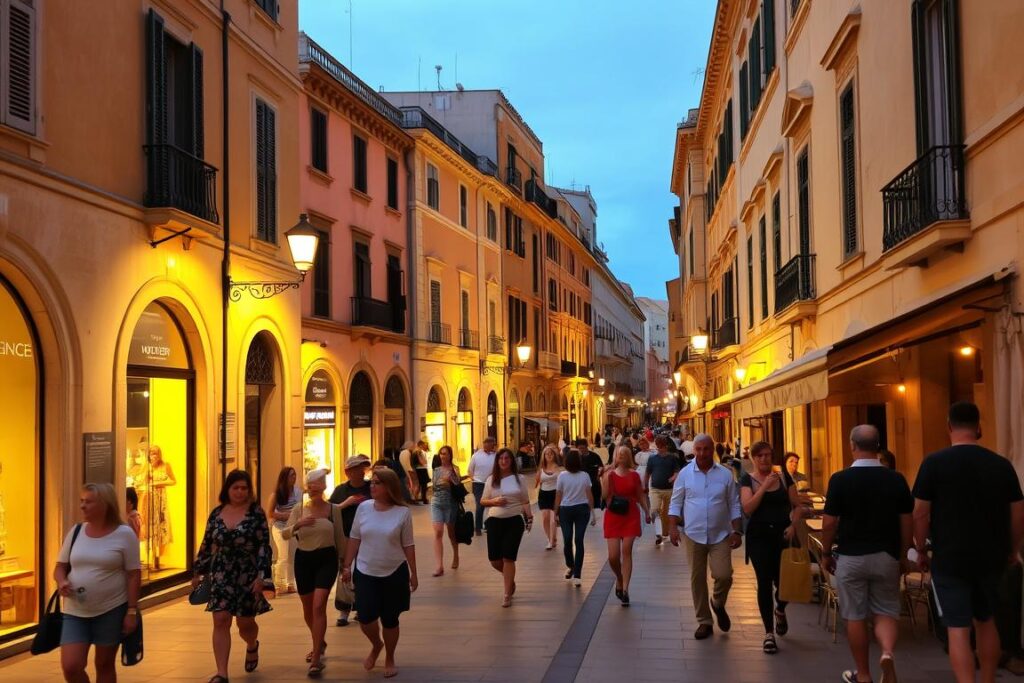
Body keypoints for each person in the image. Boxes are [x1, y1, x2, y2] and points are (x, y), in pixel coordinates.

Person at [912, 402, 1024, 683]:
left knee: (958, 628)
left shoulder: (934, 463)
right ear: (979, 427)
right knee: (986, 621)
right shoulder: (1001, 465)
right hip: (992, 556)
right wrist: (1013, 548)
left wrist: (921, 548)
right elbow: (1018, 512)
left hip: (950, 556)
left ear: (949, 426)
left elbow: (920, 512)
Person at [820, 425, 913, 683]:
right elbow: (907, 521)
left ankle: (863, 674)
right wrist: (904, 554)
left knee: (855, 616)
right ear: (878, 446)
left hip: (851, 557)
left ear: (852, 445)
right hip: (886, 556)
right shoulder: (896, 479)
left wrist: (826, 552)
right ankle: (887, 652)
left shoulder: (840, 479)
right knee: (885, 611)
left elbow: (829, 523)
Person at [55, 483, 141, 683]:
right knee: (71, 666)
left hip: (111, 609)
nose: (83, 506)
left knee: (104, 664)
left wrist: (131, 611)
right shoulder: (76, 531)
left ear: (105, 504)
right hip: (75, 610)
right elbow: (59, 567)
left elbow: (133, 575)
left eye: (89, 502)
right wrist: (61, 581)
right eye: (81, 501)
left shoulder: (124, 534)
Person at [193, 470, 273, 683]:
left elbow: (264, 546)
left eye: (244, 488)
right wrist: (198, 571)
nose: (239, 492)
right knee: (220, 619)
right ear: (227, 489)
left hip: (246, 573)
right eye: (235, 487)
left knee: (245, 624)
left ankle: (252, 644)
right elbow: (207, 543)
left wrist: (262, 577)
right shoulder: (217, 513)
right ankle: (222, 673)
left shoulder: (256, 513)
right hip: (221, 572)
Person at [341, 468, 417, 679]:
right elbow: (354, 538)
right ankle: (376, 644)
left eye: (377, 483)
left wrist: (414, 572)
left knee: (390, 619)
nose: (372, 486)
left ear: (389, 487)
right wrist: (347, 566)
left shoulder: (402, 512)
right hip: (365, 570)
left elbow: (408, 544)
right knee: (365, 617)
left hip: (394, 571)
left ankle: (389, 656)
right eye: (372, 482)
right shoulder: (364, 508)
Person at [668, 434, 743, 640]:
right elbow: (675, 502)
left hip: (720, 534)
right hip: (693, 534)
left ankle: (718, 603)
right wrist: (673, 528)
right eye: (698, 449)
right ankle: (704, 621)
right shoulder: (685, 474)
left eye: (706, 449)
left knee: (724, 575)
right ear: (694, 450)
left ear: (713, 450)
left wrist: (737, 530)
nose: (702, 453)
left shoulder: (726, 475)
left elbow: (734, 503)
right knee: (697, 578)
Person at [282, 467, 345, 677]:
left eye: (316, 487)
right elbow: (284, 534)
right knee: (308, 608)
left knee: (319, 606)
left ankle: (316, 657)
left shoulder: (333, 510)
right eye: (310, 487)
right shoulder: (299, 509)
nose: (312, 490)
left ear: (323, 488)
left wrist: (345, 566)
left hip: (326, 558)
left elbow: (340, 539)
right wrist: (297, 525)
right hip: (304, 559)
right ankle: (320, 641)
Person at [740, 442, 795, 654]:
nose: (765, 459)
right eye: (760, 456)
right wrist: (763, 486)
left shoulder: (784, 477)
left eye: (768, 455)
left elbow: (797, 506)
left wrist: (792, 524)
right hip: (759, 538)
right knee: (763, 581)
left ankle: (780, 609)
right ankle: (768, 633)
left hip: (782, 535)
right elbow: (747, 509)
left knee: (783, 584)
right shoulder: (747, 480)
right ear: (753, 458)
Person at [481, 448, 533, 607]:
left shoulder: (520, 479)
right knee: (495, 560)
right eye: (501, 458)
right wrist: (494, 501)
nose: (504, 461)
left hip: (514, 520)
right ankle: (509, 580)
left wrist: (529, 517)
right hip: (494, 520)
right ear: (497, 461)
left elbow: (525, 500)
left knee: (508, 557)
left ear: (511, 461)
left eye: (507, 458)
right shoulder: (491, 479)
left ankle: (506, 594)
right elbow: (483, 500)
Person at [603, 446, 651, 606]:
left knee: (626, 551)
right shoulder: (609, 475)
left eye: (625, 453)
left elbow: (640, 494)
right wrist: (603, 477)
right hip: (614, 515)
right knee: (613, 556)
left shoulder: (634, 475)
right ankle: (619, 577)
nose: (622, 455)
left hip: (630, 514)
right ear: (615, 457)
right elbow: (604, 496)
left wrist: (647, 511)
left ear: (629, 456)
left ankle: (625, 590)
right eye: (619, 454)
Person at [328, 456, 372, 626]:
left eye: (363, 468)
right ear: (348, 472)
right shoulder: (340, 491)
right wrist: (346, 503)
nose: (361, 472)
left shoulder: (371, 487)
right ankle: (344, 610)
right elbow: (329, 512)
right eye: (356, 469)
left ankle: (361, 607)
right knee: (345, 572)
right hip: (345, 537)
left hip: (367, 537)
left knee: (363, 572)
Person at [555, 450, 596, 587]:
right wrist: (556, 512)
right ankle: (571, 565)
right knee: (567, 540)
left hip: (581, 509)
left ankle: (577, 573)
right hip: (566, 509)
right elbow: (559, 495)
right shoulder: (562, 476)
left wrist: (592, 512)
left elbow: (589, 494)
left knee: (578, 539)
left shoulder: (584, 476)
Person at [265, 466, 301, 594]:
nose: (294, 478)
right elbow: (270, 513)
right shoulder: (276, 494)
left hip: (293, 528)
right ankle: (280, 583)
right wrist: (285, 515)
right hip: (280, 527)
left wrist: (293, 516)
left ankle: (291, 583)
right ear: (285, 478)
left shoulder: (298, 492)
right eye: (291, 475)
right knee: (284, 554)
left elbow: (299, 509)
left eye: (295, 475)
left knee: (292, 555)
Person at [430, 445, 462, 576]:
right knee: (438, 532)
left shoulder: (455, 469)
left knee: (451, 533)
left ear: (450, 455)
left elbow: (457, 483)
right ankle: (439, 566)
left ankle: (456, 554)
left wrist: (451, 479)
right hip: (437, 502)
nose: (443, 456)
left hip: (450, 504)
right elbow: (434, 485)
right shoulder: (436, 470)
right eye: (441, 454)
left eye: (445, 454)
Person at [644, 436, 682, 546]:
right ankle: (658, 534)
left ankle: (664, 533)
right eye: (659, 446)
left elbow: (677, 471)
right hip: (655, 489)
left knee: (666, 514)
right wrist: (645, 485)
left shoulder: (672, 458)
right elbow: (647, 473)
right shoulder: (652, 458)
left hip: (669, 490)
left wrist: (673, 477)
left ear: (666, 446)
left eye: (662, 446)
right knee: (654, 510)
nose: (660, 448)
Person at [146, 445, 176, 569]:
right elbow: (142, 481)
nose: (154, 456)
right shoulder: (147, 467)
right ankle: (152, 557)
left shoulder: (165, 465)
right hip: (150, 498)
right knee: (152, 525)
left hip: (161, 498)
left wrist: (158, 483)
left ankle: (158, 558)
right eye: (152, 453)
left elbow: (173, 480)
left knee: (161, 525)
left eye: (156, 453)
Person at [467, 436, 498, 536]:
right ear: (486, 444)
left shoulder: (496, 456)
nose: (494, 446)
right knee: (480, 505)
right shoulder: (476, 456)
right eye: (492, 444)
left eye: (494, 444)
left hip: (492, 483)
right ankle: (478, 527)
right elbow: (470, 470)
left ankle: (488, 525)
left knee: (492, 505)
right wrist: (474, 479)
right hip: (478, 484)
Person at [535, 445, 563, 550]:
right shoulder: (541, 469)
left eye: (551, 454)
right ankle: (550, 538)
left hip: (555, 494)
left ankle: (551, 541)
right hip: (543, 494)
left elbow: (562, 483)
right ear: (544, 456)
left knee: (553, 519)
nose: (549, 456)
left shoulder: (558, 469)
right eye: (547, 454)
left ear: (554, 455)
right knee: (545, 518)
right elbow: (537, 483)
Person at [578, 437, 605, 511]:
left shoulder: (595, 456)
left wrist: (599, 472)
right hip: (582, 487)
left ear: (586, 447)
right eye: (579, 448)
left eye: (582, 448)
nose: (581, 450)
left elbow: (601, 467)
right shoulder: (577, 458)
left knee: (596, 506)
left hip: (594, 485)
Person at [413, 440, 431, 506]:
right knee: (423, 485)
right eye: (424, 445)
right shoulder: (418, 451)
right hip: (421, 470)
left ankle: (419, 499)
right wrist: (424, 462)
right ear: (421, 445)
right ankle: (422, 499)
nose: (425, 446)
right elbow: (422, 462)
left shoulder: (417, 451)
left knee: (421, 485)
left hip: (420, 469)